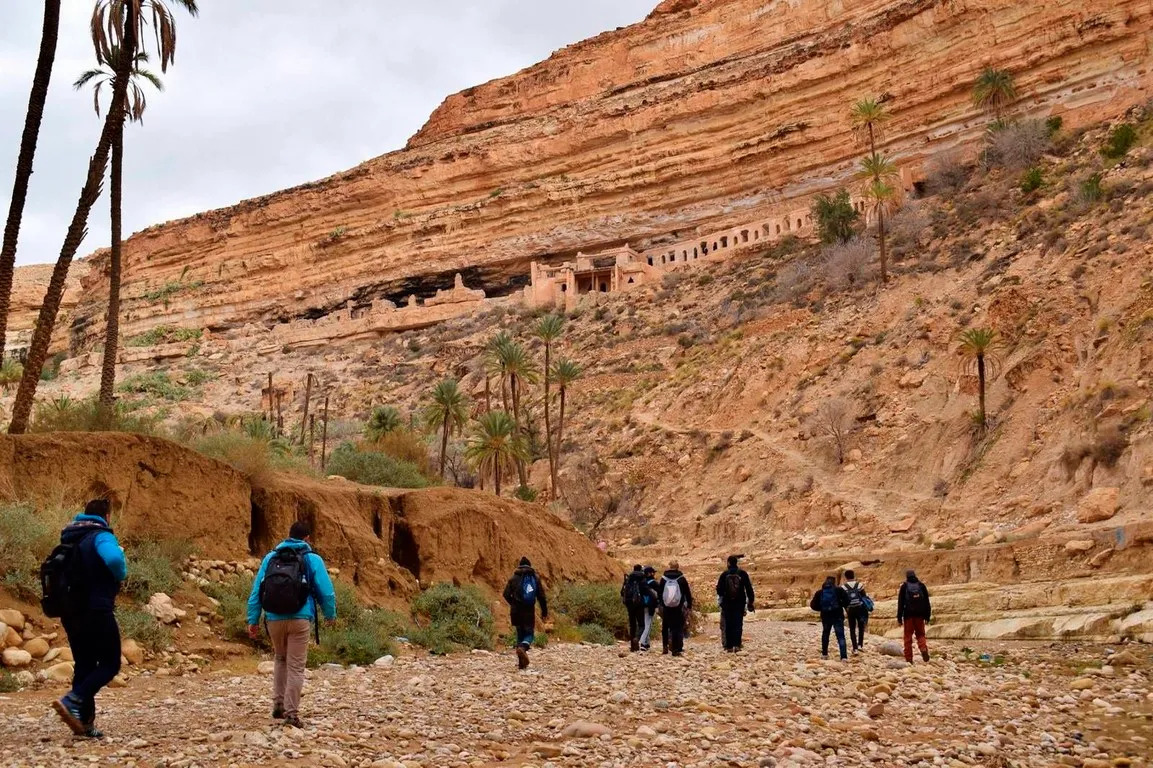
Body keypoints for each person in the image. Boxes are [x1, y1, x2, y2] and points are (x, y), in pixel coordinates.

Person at [247, 520, 337, 728]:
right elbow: (326, 591)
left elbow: (256, 593)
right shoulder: (312, 559)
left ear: (288, 536)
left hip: (273, 619)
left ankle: (278, 704)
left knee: (280, 658)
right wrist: (330, 615)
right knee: (296, 667)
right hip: (299, 619)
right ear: (307, 538)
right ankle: (291, 714)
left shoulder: (271, 557)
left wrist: (253, 621)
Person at [51, 499, 127, 739]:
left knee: (84, 664)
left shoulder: (69, 537)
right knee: (110, 663)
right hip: (97, 608)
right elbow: (114, 560)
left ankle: (83, 723)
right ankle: (72, 700)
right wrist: (121, 573)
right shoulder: (100, 535)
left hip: (71, 611)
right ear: (107, 515)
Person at [503, 556, 548, 670]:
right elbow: (541, 597)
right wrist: (544, 611)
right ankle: (523, 648)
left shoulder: (513, 578)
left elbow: (506, 594)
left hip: (515, 611)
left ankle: (521, 663)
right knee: (529, 634)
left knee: (520, 633)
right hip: (528, 610)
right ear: (530, 566)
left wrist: (513, 603)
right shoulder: (534, 578)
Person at [715, 555, 755, 652]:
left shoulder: (724, 574)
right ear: (736, 563)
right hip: (739, 602)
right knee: (738, 623)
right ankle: (737, 645)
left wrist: (723, 597)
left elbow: (719, 590)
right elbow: (749, 588)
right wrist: (751, 601)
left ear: (728, 563)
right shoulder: (742, 573)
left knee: (728, 623)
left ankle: (729, 646)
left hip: (727, 603)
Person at [809, 575, 849, 661]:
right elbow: (847, 601)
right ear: (834, 582)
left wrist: (821, 608)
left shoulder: (820, 592)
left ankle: (824, 654)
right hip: (838, 615)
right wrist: (840, 605)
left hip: (825, 616)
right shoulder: (839, 590)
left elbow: (812, 605)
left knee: (826, 634)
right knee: (840, 636)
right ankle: (844, 657)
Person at [897, 569, 932, 663]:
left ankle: (909, 659)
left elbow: (900, 603)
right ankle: (923, 649)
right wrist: (927, 616)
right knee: (920, 634)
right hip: (920, 615)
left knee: (908, 637)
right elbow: (927, 602)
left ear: (907, 577)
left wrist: (899, 617)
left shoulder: (904, 586)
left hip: (908, 615)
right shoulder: (921, 585)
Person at [658, 561, 692, 657]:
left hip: (666, 606)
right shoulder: (681, 579)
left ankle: (665, 646)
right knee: (677, 627)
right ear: (677, 567)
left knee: (665, 626)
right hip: (678, 607)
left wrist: (661, 604)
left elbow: (660, 593)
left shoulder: (663, 579)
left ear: (669, 567)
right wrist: (689, 605)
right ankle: (676, 649)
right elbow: (687, 593)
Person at [621, 565, 650, 652]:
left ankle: (633, 647)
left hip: (629, 604)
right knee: (642, 624)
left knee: (632, 625)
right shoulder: (642, 578)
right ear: (640, 570)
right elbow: (646, 590)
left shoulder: (628, 578)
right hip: (639, 604)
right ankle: (637, 638)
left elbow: (622, 592)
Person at [842, 569, 870, 654]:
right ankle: (860, 645)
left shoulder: (843, 587)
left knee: (852, 628)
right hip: (860, 608)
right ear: (854, 575)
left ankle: (854, 648)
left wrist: (846, 609)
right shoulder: (859, 585)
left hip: (850, 609)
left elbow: (843, 600)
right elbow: (864, 597)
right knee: (861, 627)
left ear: (845, 577)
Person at [639, 566, 659, 651]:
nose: (654, 574)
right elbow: (659, 593)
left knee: (645, 623)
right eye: (653, 572)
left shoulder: (641, 582)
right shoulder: (653, 583)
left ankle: (647, 643)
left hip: (641, 605)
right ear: (649, 573)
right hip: (649, 605)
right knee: (648, 625)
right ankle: (642, 642)